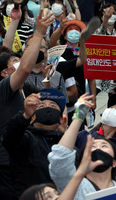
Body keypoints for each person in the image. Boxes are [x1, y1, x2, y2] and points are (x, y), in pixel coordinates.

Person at [48, 94, 116, 198]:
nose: (98, 147)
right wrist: (78, 117)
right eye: (92, 146)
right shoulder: (74, 187)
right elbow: (60, 157)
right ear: (83, 157)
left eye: (104, 146)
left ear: (115, 161)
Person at [0, 10, 54, 200]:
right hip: (6, 165)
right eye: (15, 60)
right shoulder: (4, 88)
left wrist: (47, 80)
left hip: (27, 160)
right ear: (5, 73)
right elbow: (24, 69)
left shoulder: (27, 89)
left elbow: (49, 103)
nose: (20, 62)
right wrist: (38, 34)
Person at [2, 89, 66, 197]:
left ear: (62, 120)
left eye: (53, 106)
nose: (47, 108)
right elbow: (10, 137)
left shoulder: (69, 145)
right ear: (32, 119)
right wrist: (24, 116)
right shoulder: (26, 140)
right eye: (41, 106)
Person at [74, 94, 116, 182]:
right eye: (110, 108)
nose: (111, 111)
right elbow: (62, 150)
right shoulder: (84, 135)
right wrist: (77, 116)